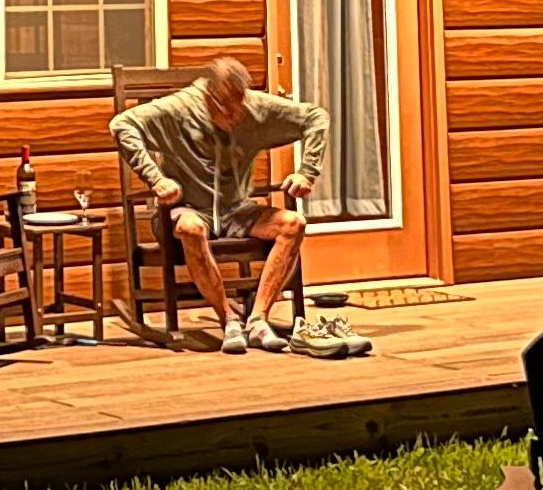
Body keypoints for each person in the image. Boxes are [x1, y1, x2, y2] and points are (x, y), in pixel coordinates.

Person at [108, 59, 368, 356]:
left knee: (293, 223)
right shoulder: (179, 108)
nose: (234, 116)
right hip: (186, 208)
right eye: (226, 108)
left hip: (237, 209)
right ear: (209, 96)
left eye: (239, 105)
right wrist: (156, 179)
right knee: (190, 227)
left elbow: (315, 117)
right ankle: (229, 320)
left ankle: (258, 319)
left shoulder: (253, 106)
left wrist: (307, 171)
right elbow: (122, 124)